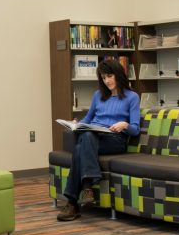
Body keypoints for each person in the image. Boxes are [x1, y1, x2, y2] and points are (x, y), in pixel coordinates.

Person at [57, 59, 139, 221]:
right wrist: (76, 124)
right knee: (84, 140)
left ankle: (76, 198)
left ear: (118, 75)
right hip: (93, 137)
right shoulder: (98, 96)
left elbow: (135, 129)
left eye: (110, 76)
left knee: (83, 144)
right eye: (103, 77)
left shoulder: (132, 97)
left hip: (114, 139)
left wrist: (124, 124)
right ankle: (81, 194)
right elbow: (88, 119)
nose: (107, 81)